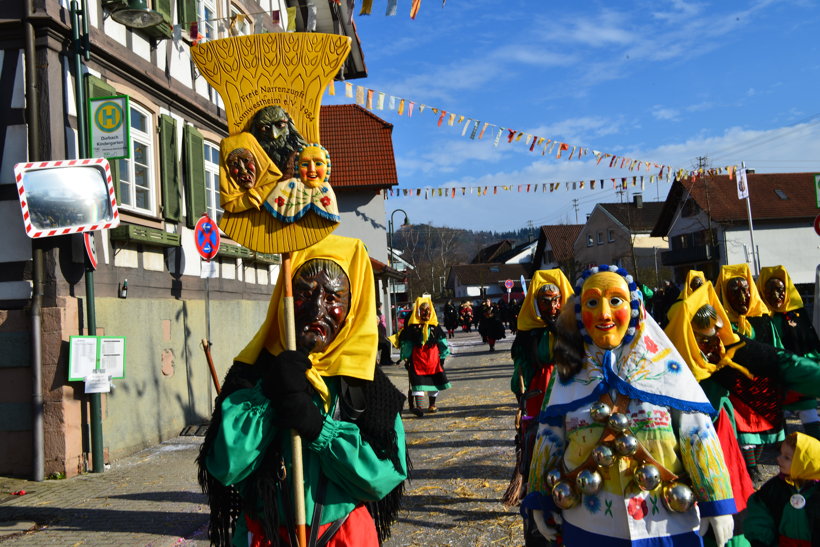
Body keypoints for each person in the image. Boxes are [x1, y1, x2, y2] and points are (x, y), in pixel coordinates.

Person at [197, 235, 408, 546]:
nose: (317, 308)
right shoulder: (254, 374)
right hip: (266, 535)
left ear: (352, 306)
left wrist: (319, 430)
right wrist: (268, 394)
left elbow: (382, 478)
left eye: (334, 296)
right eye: (304, 293)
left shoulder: (368, 387)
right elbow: (225, 465)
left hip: (342, 537)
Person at [525, 265, 735, 546]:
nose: (604, 314)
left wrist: (716, 500)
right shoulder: (569, 372)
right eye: (592, 303)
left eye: (615, 301)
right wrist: (540, 496)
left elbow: (696, 431)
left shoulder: (665, 369)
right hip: (589, 521)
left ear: (634, 307)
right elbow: (549, 434)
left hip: (665, 521)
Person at [504, 269, 574, 546]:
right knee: (536, 455)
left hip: (568, 395)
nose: (552, 307)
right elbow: (520, 369)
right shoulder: (528, 335)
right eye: (545, 302)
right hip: (537, 397)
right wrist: (519, 391)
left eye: (556, 301)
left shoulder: (573, 331)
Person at [757, 265, 820, 439]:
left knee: (808, 413)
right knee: (778, 416)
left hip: (797, 373)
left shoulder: (797, 314)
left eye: (780, 290)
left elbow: (809, 342)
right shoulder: (761, 317)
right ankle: (783, 451)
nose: (776, 296)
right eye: (770, 291)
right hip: (774, 376)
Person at [744, 432, 820, 546]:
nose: (778, 459)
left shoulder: (816, 491)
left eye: (787, 457)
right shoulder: (774, 488)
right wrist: (760, 540)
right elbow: (759, 514)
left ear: (804, 462)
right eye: (781, 453)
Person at [394, 295, 451, 417]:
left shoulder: (412, 328)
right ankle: (432, 405)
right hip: (432, 358)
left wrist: (406, 358)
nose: (425, 313)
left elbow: (407, 345)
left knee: (418, 381)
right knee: (433, 380)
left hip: (419, 358)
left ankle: (420, 407)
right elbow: (443, 343)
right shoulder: (434, 326)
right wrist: (443, 357)